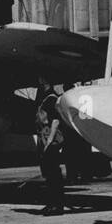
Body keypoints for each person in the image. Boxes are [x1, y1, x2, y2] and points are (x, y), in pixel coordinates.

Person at [34, 82, 65, 215]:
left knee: (53, 174)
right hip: (44, 136)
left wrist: (50, 140)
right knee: (49, 173)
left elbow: (55, 121)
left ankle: (56, 205)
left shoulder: (50, 99)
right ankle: (51, 203)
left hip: (49, 137)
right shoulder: (47, 98)